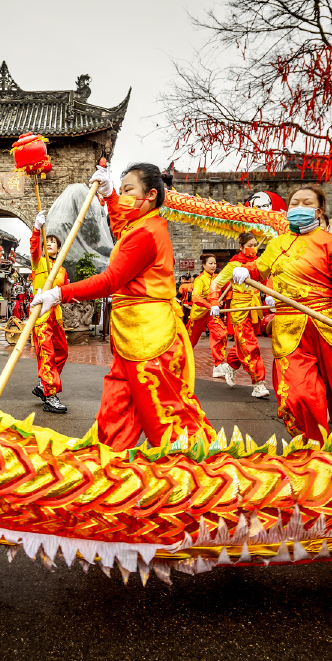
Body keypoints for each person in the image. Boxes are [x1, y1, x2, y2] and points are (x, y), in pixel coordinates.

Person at [31, 163, 214, 451]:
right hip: (132, 337)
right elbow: (120, 227)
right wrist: (110, 195)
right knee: (114, 417)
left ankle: (197, 478)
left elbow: (111, 279)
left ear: (151, 195)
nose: (124, 195)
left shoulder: (146, 234)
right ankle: (108, 470)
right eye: (122, 188)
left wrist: (59, 294)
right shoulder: (138, 227)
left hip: (151, 339)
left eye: (129, 190)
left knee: (168, 425)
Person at [230, 185, 332, 438]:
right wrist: (247, 270)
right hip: (289, 330)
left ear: (318, 211)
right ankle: (311, 447)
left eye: (306, 204)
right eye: (294, 204)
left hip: (329, 325)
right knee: (297, 395)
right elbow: (261, 268)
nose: (299, 208)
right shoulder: (277, 244)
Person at [212, 231, 272, 397]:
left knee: (242, 343)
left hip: (255, 309)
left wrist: (269, 296)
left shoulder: (258, 264)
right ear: (241, 247)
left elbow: (267, 281)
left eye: (255, 245)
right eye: (249, 246)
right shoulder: (234, 265)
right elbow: (215, 284)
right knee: (250, 345)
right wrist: (214, 302)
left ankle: (230, 366)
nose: (253, 249)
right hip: (239, 310)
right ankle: (259, 383)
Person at [29, 210, 69, 414]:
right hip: (41, 316)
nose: (50, 243)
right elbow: (34, 247)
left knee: (62, 352)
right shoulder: (39, 262)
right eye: (48, 241)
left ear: (60, 248)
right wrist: (37, 229)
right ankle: (50, 395)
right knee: (47, 354)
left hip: (57, 316)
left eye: (54, 242)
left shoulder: (62, 270)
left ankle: (43, 385)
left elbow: (66, 290)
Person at [185, 253, 229, 380]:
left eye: (215, 263)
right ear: (204, 265)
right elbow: (195, 297)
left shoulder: (217, 278)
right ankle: (181, 361)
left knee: (221, 333)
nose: (213, 265)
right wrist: (210, 305)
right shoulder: (200, 279)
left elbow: (226, 286)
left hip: (211, 313)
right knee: (189, 341)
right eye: (210, 263)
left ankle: (218, 364)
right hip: (199, 313)